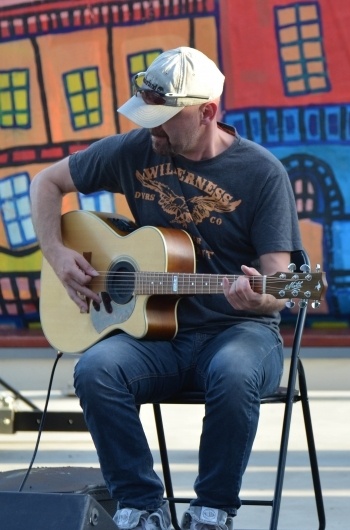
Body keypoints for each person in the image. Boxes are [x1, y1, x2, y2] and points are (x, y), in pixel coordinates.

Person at [30, 47, 303, 530]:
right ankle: (141, 506)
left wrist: (263, 295)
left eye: (164, 118)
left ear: (207, 113)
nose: (150, 128)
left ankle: (212, 512)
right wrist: (55, 251)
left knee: (235, 372)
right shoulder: (134, 150)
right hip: (158, 336)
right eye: (146, 115)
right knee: (96, 369)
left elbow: (283, 283)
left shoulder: (261, 174)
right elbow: (47, 183)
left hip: (241, 332)